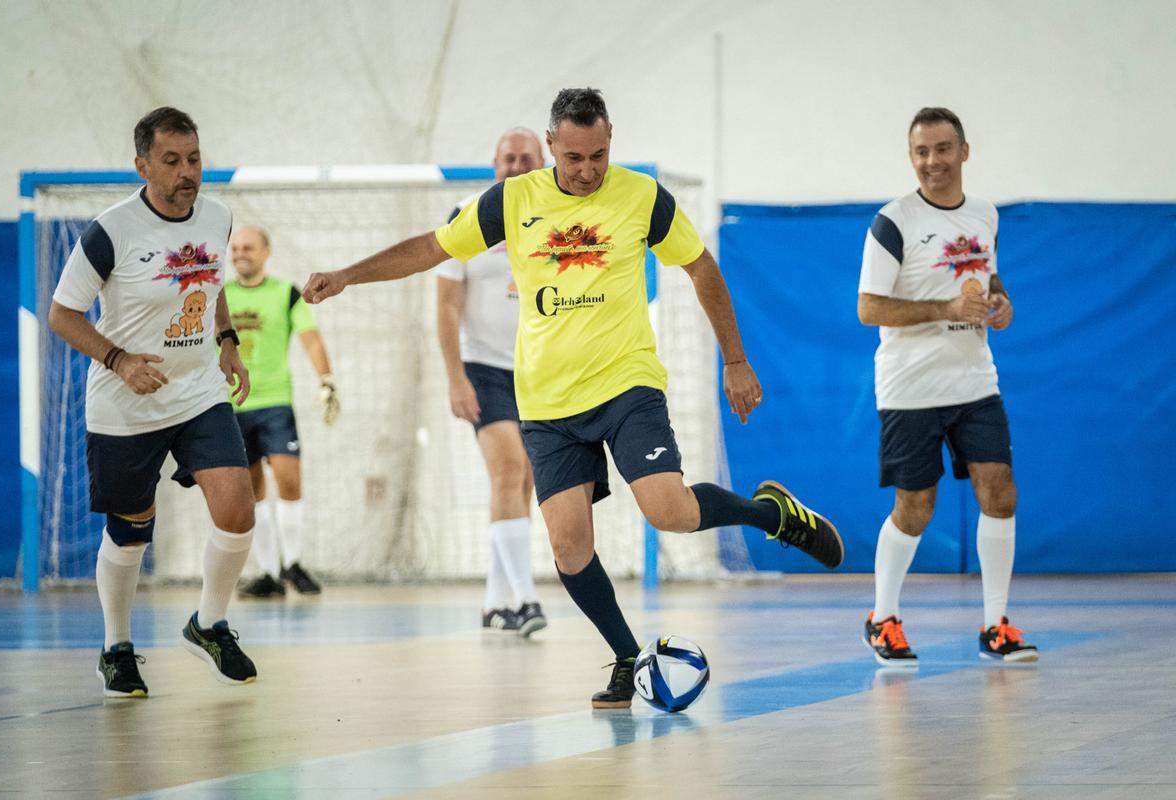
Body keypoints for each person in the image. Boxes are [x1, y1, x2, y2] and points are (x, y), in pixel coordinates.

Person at [303, 88, 844, 708]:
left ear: (611, 138)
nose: (587, 171)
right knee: (567, 545)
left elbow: (701, 267)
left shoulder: (642, 197)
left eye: (600, 155)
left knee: (668, 511)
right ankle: (626, 657)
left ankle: (772, 515)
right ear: (551, 145)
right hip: (547, 403)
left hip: (626, 384)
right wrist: (348, 274)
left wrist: (737, 360)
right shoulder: (512, 201)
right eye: (575, 158)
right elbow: (431, 248)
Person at [48, 107, 259, 697]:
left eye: (194, 159)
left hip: (197, 393)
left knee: (238, 506)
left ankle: (209, 624)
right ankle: (116, 647)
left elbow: (210, 284)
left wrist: (227, 344)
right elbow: (62, 314)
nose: (187, 172)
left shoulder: (217, 217)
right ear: (141, 164)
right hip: (125, 402)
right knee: (133, 528)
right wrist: (118, 360)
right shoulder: (110, 231)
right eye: (171, 161)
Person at [857, 106, 1038, 667]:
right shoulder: (894, 221)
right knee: (916, 506)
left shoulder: (984, 216)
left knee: (999, 491)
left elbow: (988, 280)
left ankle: (995, 626)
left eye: (941, 149)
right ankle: (882, 617)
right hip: (910, 387)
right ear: (911, 157)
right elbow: (868, 308)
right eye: (920, 152)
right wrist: (946, 307)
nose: (932, 161)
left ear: (964, 151)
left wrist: (1000, 305)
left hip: (975, 380)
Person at [436, 128, 547, 636]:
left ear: (543, 161)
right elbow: (446, 303)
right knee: (508, 470)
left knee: (522, 480)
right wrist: (456, 377)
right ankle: (525, 600)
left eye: (527, 158)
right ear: (494, 163)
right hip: (485, 368)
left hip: (541, 370)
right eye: (509, 158)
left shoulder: (557, 216)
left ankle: (494, 600)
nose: (518, 166)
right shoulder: (467, 214)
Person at [227, 226, 338, 599]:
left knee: (289, 481)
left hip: (275, 404)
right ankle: (269, 573)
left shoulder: (286, 294)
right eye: (235, 248)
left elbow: (311, 339)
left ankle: (292, 562)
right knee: (251, 491)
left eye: (248, 247)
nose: (240, 253)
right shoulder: (218, 298)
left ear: (266, 253)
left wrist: (326, 380)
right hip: (232, 406)